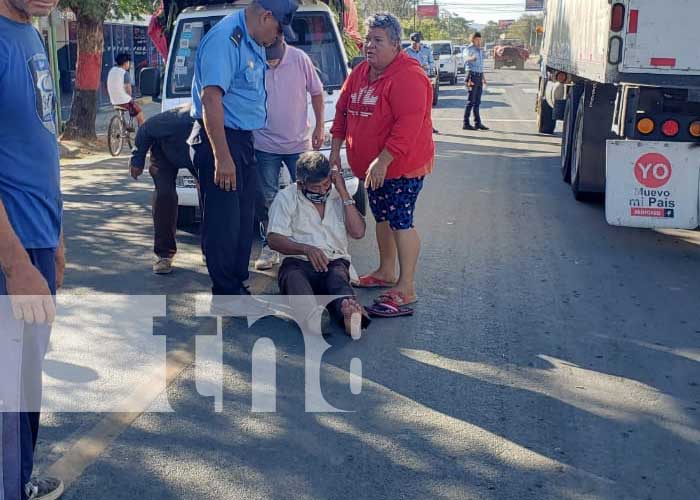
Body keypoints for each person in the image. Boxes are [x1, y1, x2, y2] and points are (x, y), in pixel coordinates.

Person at [189, 0, 300, 297]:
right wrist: (222, 158)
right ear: (266, 17)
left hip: (242, 139)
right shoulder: (226, 39)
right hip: (221, 141)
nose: (278, 37)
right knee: (223, 224)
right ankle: (226, 293)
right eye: (278, 29)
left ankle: (237, 282)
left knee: (242, 219)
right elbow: (211, 99)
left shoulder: (250, 41)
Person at [1, 0, 66, 497]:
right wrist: (16, 262)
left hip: (38, 241)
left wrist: (56, 236)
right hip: (11, 253)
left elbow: (37, 144)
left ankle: (19, 480)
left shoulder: (31, 31)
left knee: (24, 386)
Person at [330, 13, 434, 317]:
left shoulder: (409, 77)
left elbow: (408, 126)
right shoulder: (361, 72)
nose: (369, 46)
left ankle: (407, 286)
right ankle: (386, 271)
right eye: (368, 40)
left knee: (401, 220)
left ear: (395, 45)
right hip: (373, 170)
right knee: (383, 219)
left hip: (402, 167)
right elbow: (342, 113)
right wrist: (335, 151)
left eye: (378, 41)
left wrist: (383, 160)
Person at [267, 152, 370, 337]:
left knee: (338, 282)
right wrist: (306, 249)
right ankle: (313, 317)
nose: (323, 191)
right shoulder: (286, 197)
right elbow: (273, 238)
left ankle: (351, 317)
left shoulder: (339, 194)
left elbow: (358, 232)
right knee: (294, 279)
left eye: (325, 184)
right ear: (301, 184)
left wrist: (344, 192)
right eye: (316, 187)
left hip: (334, 261)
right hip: (298, 261)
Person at [253, 35, 325, 271]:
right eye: (268, 61)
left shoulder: (300, 59)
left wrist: (320, 126)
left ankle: (305, 243)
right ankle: (271, 247)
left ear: (283, 43)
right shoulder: (254, 59)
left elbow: (316, 93)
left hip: (297, 144)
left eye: (274, 60)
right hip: (264, 144)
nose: (271, 65)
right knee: (269, 200)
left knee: (304, 195)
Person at [129, 104, 196, 275]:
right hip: (164, 153)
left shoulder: (219, 127)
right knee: (165, 196)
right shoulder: (172, 121)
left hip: (197, 156)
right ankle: (164, 254)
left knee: (211, 195)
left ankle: (211, 251)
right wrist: (137, 161)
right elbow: (145, 130)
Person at [404, 32, 440, 135]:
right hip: (412, 82)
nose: (416, 44)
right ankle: (413, 126)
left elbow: (432, 63)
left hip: (425, 79)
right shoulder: (406, 52)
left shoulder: (427, 50)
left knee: (427, 104)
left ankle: (428, 126)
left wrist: (426, 66)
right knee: (413, 105)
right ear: (411, 41)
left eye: (418, 42)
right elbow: (403, 66)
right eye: (414, 42)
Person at [107, 53, 145, 127]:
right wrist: (130, 98)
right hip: (123, 101)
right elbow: (128, 90)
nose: (129, 64)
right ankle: (142, 134)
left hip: (113, 100)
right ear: (125, 63)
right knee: (140, 114)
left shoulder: (112, 70)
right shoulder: (125, 73)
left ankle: (125, 127)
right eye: (128, 62)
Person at [463, 32, 489, 131]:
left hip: (478, 76)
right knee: (470, 101)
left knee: (477, 102)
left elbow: (480, 66)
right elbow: (465, 58)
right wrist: (471, 58)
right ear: (472, 39)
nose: (479, 42)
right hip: (471, 76)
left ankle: (477, 123)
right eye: (477, 40)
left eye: (480, 40)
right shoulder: (468, 49)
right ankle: (466, 123)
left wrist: (484, 79)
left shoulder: (480, 51)